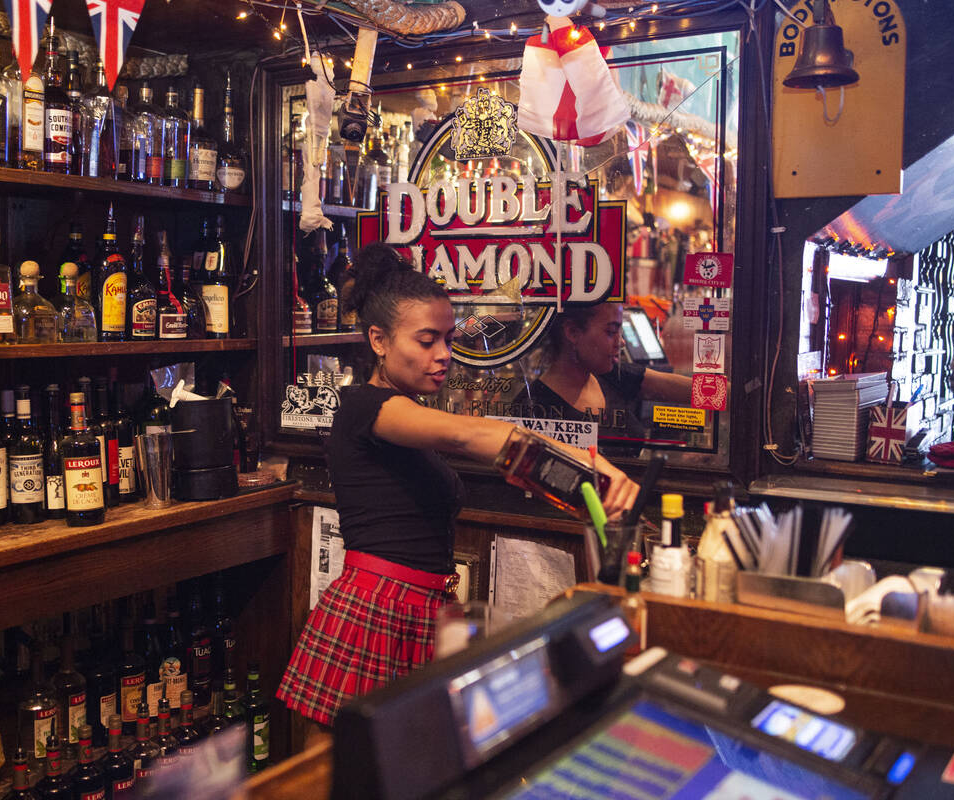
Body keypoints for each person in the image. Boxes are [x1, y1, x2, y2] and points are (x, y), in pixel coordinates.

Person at [276, 243, 638, 742]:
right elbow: (471, 435)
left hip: (419, 607)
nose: (444, 355)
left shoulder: (405, 411)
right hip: (377, 610)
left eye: (448, 338)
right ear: (378, 340)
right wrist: (592, 467)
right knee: (340, 779)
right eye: (427, 341)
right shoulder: (366, 405)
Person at [524, 302, 692, 447]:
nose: (621, 342)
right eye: (611, 332)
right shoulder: (533, 405)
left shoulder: (612, 374)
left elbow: (697, 391)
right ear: (572, 332)